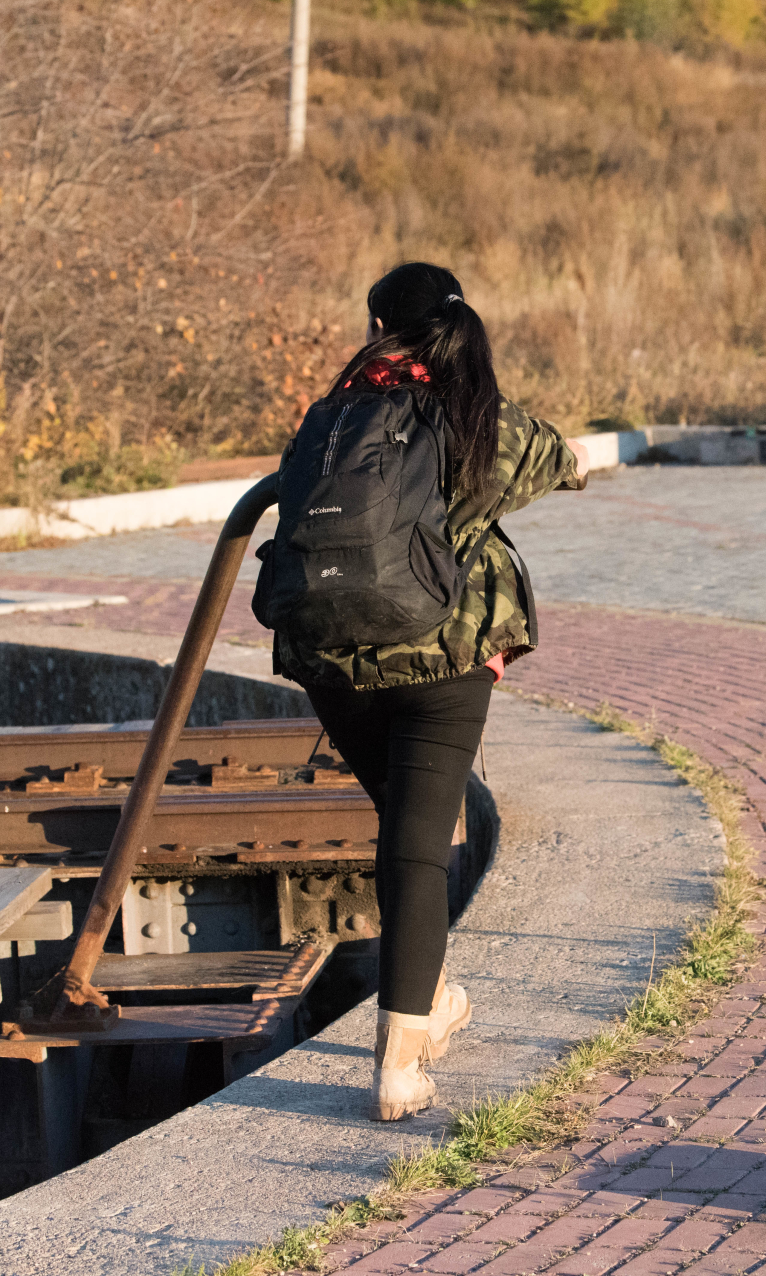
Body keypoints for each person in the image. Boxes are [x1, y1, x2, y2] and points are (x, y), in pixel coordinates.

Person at [268, 262, 588, 1121]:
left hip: (332, 662)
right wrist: (583, 462)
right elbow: (558, 456)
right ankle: (396, 1068)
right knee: (415, 851)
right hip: (441, 665)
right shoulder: (477, 417)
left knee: (400, 832)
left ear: (377, 327)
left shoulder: (331, 415)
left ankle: (432, 999)